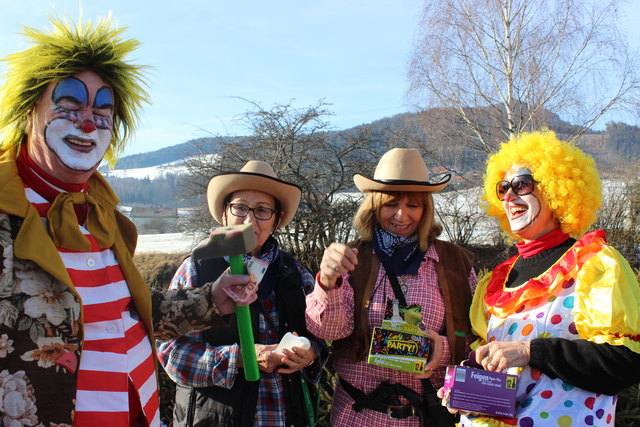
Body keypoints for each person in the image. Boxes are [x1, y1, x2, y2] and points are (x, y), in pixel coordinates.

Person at [0, 16, 257, 426]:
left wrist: (212, 300)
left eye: (102, 109)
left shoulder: (101, 214)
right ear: (30, 111)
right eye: (70, 104)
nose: (88, 121)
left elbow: (124, 312)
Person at [447, 130, 640, 426]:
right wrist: (465, 389)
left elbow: (625, 364)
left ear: (555, 190)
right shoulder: (499, 278)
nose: (509, 196)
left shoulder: (594, 264)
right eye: (503, 188)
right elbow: (493, 366)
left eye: (522, 184)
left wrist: (532, 352)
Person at [305, 147, 478, 426]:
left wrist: (443, 349)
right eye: (391, 204)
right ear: (374, 205)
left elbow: (478, 338)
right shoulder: (352, 258)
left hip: (425, 417)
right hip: (358, 417)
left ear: (426, 209)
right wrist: (328, 281)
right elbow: (329, 331)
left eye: (413, 205)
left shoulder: (455, 263)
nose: (401, 215)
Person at [157, 160, 328, 427]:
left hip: (287, 416)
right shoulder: (198, 269)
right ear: (225, 213)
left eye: (262, 210)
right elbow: (172, 354)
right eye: (240, 207)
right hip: (214, 419)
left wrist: (311, 353)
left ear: (276, 221)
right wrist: (240, 359)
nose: (249, 220)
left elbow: (319, 335)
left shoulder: (293, 272)